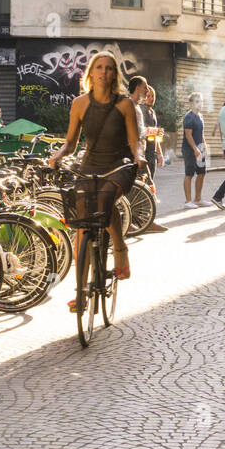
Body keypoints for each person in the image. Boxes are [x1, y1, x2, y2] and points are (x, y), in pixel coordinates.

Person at [47, 51, 141, 290]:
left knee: (105, 198)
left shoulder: (125, 104)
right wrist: (58, 155)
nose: (103, 72)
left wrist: (139, 157)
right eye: (99, 67)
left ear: (114, 75)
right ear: (90, 73)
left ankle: (119, 247)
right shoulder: (79, 104)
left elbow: (134, 141)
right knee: (82, 221)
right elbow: (70, 142)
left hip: (120, 165)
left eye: (109, 68)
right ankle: (80, 290)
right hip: (90, 164)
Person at [181, 92, 212, 208]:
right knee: (189, 174)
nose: (200, 104)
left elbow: (201, 133)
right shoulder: (189, 117)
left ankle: (198, 199)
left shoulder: (200, 116)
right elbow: (188, 135)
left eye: (201, 101)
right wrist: (195, 149)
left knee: (202, 173)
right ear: (191, 103)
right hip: (189, 149)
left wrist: (204, 147)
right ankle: (188, 201)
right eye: (197, 101)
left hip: (199, 149)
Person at [140, 85, 163, 181]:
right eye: (148, 96)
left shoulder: (152, 112)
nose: (151, 98)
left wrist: (159, 154)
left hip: (151, 154)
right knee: (144, 182)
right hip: (142, 153)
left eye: (153, 96)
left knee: (151, 180)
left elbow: (156, 136)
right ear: (143, 97)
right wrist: (155, 131)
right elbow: (139, 130)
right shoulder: (140, 110)